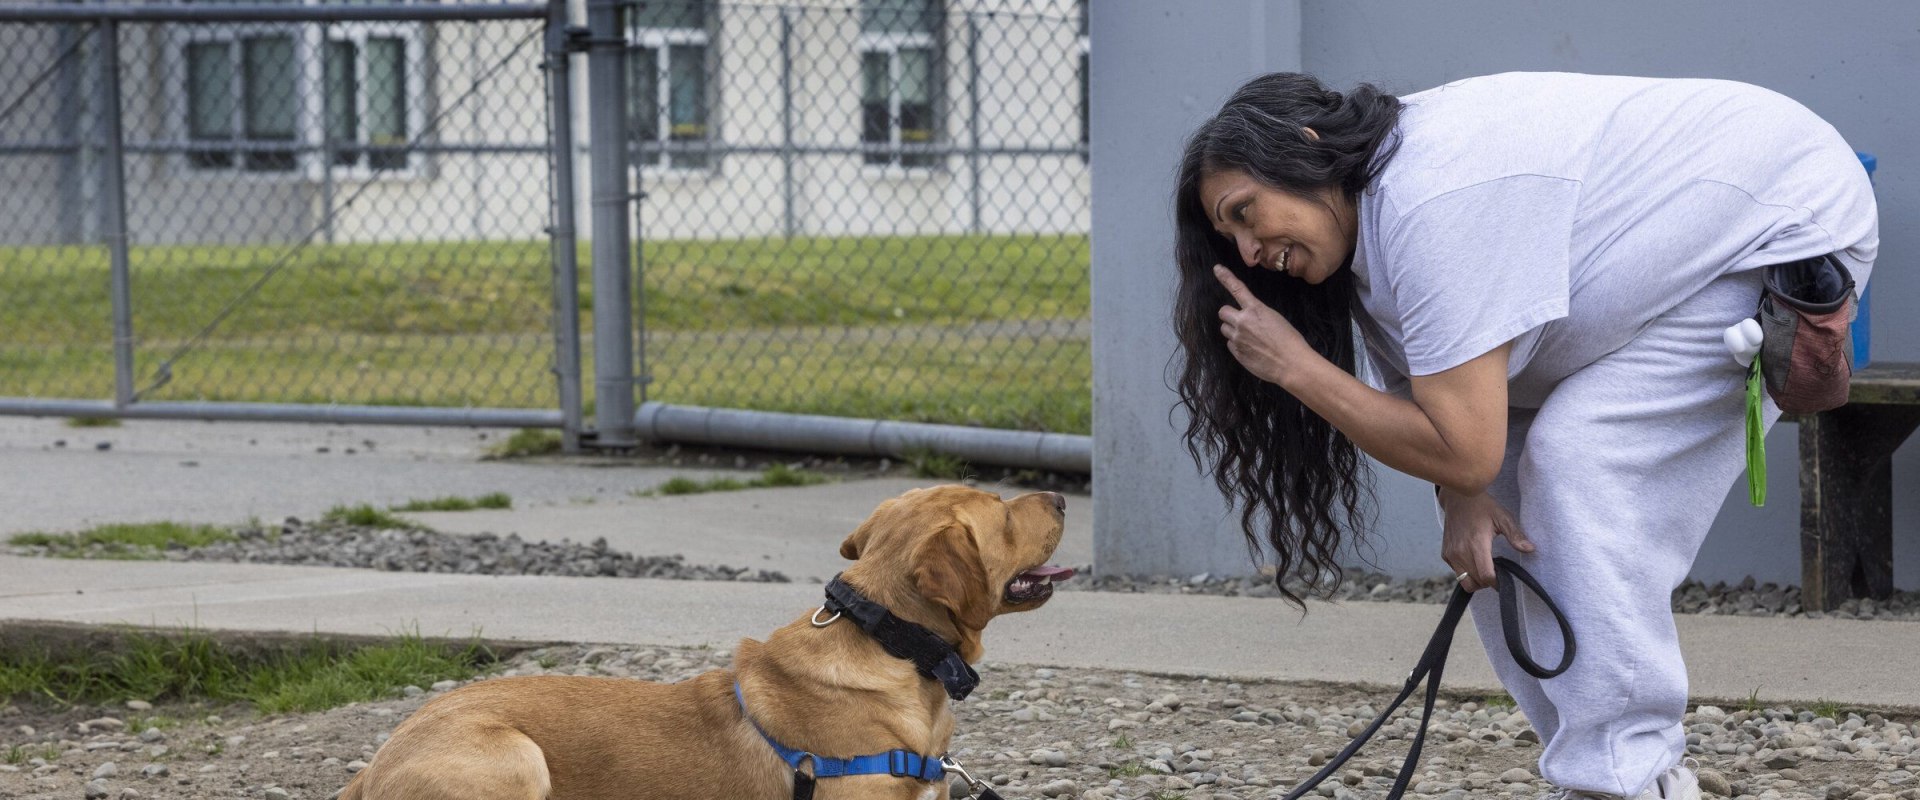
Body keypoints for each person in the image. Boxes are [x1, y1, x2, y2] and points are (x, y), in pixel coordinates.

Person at [1170, 71, 1878, 800]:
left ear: (1303, 148)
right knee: (1494, 527)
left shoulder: (1430, 199)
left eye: (1247, 213)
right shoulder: (1376, 224)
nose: (1249, 252)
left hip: (1778, 227)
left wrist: (1299, 368)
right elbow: (1446, 413)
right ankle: (1595, 771)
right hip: (1661, 266)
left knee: (1583, 459)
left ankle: (1628, 781)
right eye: (1233, 237)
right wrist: (1459, 494)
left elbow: (1461, 442)